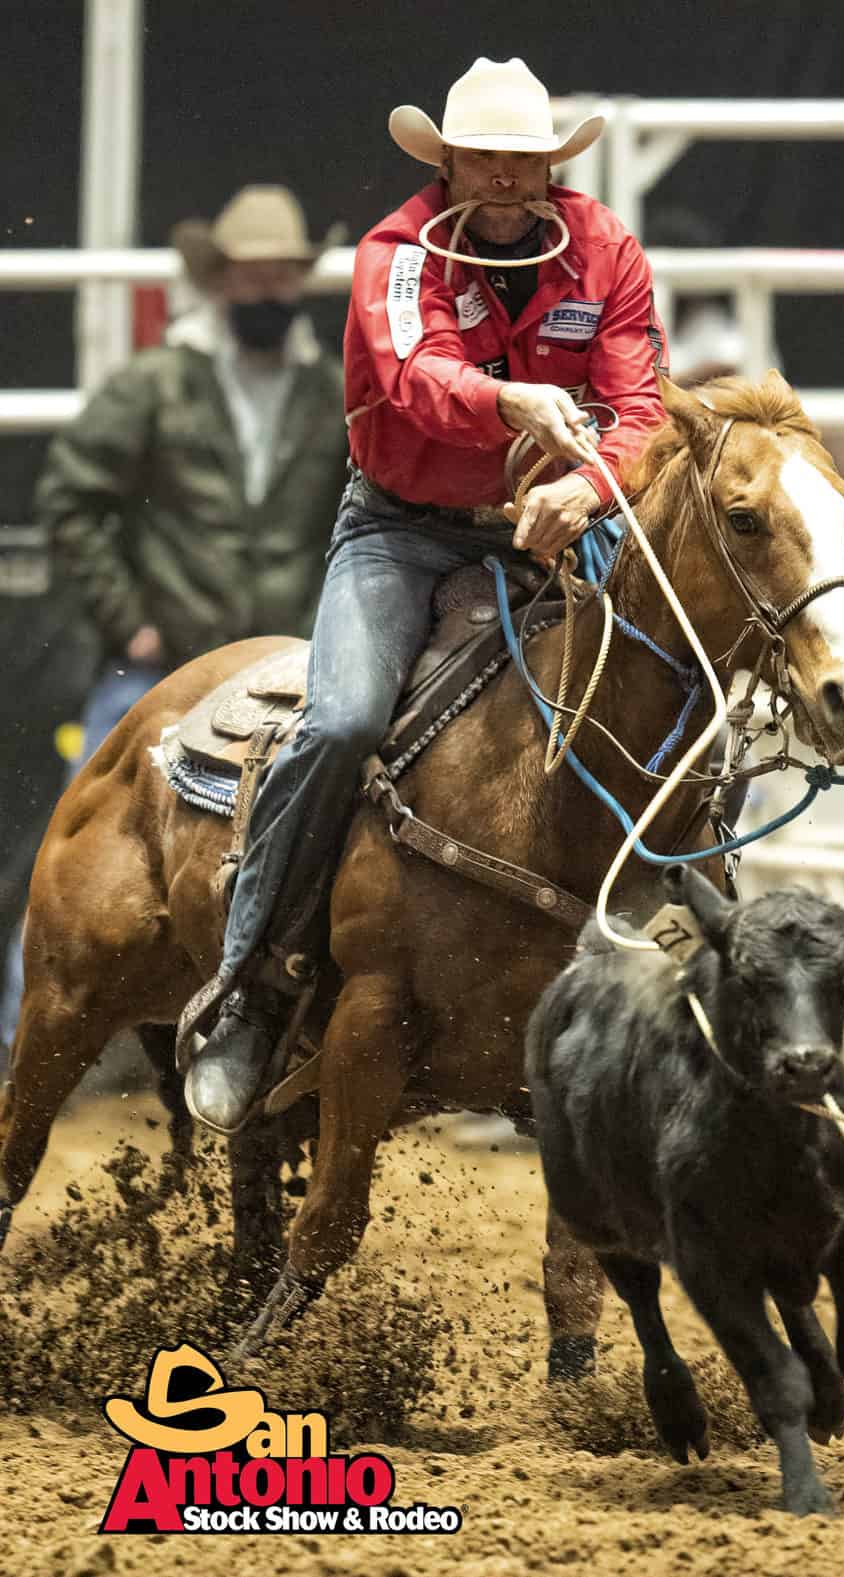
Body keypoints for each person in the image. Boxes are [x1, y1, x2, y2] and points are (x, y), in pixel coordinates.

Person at [184, 57, 671, 1135]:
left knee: (659, 704)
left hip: (551, 530)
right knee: (343, 719)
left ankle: (683, 992)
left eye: (524, 158)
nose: (503, 175)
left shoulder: (604, 250)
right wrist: (514, 404)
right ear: (445, 161)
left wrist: (588, 491)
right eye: (483, 155)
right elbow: (412, 373)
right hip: (401, 529)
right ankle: (248, 983)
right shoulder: (396, 252)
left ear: (550, 166)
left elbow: (640, 404)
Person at [0, 186, 348, 1055]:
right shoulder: (160, 383)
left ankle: (309, 1036)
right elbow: (73, 497)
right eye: (253, 276)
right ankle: (23, 1037)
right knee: (75, 845)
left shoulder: (326, 392)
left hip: (284, 666)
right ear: (222, 282)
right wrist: (131, 618)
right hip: (169, 658)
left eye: (281, 276)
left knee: (351, 831)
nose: (268, 292)